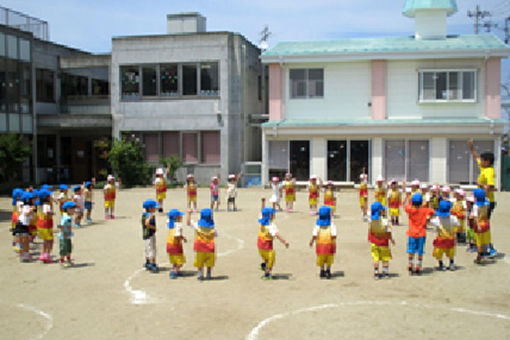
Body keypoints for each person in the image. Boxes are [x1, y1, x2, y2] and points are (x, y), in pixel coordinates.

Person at [467, 140, 497, 257]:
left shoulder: (489, 171)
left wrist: (481, 185)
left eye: (483, 160)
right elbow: (476, 157)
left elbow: (492, 187)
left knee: (483, 224)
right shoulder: (484, 168)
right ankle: (480, 246)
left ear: (488, 162)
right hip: (481, 201)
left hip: (486, 202)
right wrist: (471, 147)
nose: (481, 161)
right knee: (477, 223)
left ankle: (489, 248)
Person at [258, 198, 289, 280]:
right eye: (272, 214)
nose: (274, 215)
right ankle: (267, 273)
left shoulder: (261, 220)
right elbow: (277, 235)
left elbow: (262, 211)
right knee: (271, 259)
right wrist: (284, 242)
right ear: (270, 216)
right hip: (267, 246)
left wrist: (263, 202)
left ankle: (264, 264)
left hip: (260, 245)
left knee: (266, 257)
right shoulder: (271, 225)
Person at [405, 193, 435, 275]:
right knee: (420, 251)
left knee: (411, 250)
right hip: (421, 233)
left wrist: (408, 199)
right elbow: (432, 211)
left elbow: (405, 206)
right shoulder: (425, 210)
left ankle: (410, 263)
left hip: (412, 233)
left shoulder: (410, 210)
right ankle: (419, 265)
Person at [188, 208, 217, 281]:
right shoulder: (212, 227)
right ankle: (208, 273)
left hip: (200, 247)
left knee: (199, 262)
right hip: (210, 248)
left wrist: (189, 214)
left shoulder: (198, 225)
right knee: (209, 262)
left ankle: (200, 274)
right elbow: (216, 234)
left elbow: (189, 223)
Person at [367, 202, 394, 279]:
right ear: (380, 211)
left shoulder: (370, 220)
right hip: (384, 243)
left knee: (376, 259)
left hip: (374, 243)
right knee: (385, 258)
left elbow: (369, 213)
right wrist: (391, 239)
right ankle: (385, 273)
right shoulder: (385, 221)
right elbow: (389, 232)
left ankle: (376, 273)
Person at [430, 200, 459, 271]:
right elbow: (458, 224)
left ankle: (441, 264)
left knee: (438, 252)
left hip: (441, 239)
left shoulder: (438, 219)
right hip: (451, 238)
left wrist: (429, 216)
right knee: (451, 252)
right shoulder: (453, 218)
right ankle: (451, 263)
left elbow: (430, 222)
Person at [309, 206, 336, 279]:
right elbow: (334, 235)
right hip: (329, 245)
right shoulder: (332, 225)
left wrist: (311, 241)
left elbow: (314, 235)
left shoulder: (318, 226)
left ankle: (322, 270)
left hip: (320, 246)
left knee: (321, 258)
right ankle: (328, 270)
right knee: (329, 259)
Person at [471, 189, 494, 264]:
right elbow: (487, 199)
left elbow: (476, 217)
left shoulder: (476, 206)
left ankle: (480, 256)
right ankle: (482, 255)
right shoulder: (486, 203)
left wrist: (478, 225)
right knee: (484, 241)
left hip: (479, 225)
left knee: (479, 242)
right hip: (486, 223)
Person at [14, 192, 36, 262]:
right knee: (25, 241)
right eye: (32, 199)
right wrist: (32, 209)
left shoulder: (26, 206)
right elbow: (26, 214)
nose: (34, 200)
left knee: (25, 240)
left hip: (24, 225)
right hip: (22, 225)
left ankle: (24, 254)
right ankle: (25, 255)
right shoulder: (27, 207)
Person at [166, 209, 187, 279]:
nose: (181, 217)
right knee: (180, 261)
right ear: (177, 217)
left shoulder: (170, 223)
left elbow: (168, 220)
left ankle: (174, 269)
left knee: (174, 259)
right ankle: (175, 271)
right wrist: (183, 238)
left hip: (169, 244)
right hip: (175, 245)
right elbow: (177, 235)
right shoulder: (178, 226)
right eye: (180, 216)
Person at [37, 189, 55, 263]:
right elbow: (46, 214)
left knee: (45, 240)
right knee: (50, 240)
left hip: (40, 224)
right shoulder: (46, 205)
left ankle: (43, 253)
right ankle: (47, 255)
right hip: (46, 224)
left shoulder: (39, 205)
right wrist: (51, 213)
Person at [142, 199, 159, 273]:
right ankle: (153, 263)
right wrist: (154, 228)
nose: (155, 209)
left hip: (145, 235)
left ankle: (147, 261)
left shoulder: (144, 214)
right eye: (154, 207)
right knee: (152, 248)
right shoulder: (150, 215)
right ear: (150, 208)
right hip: (150, 234)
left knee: (147, 248)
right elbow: (146, 223)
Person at [59, 201, 76, 266]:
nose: (74, 211)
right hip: (64, 235)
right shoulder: (66, 217)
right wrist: (63, 233)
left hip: (68, 235)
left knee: (69, 247)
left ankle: (68, 259)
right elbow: (62, 225)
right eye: (72, 209)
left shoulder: (68, 216)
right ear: (68, 209)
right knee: (63, 248)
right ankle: (62, 260)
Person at [11, 188, 24, 253]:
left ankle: (15, 243)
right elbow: (21, 211)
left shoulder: (14, 201)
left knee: (16, 232)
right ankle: (18, 246)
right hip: (18, 217)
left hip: (14, 217)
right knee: (20, 233)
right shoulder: (21, 203)